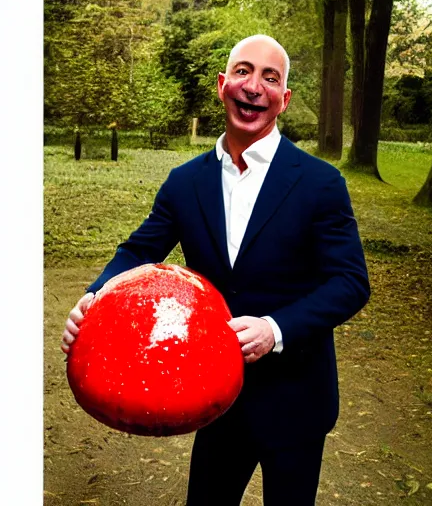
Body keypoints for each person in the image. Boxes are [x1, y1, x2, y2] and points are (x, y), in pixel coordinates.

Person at [61, 34, 370, 505]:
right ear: (223, 85)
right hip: (213, 398)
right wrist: (95, 297)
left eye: (271, 78)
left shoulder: (321, 183)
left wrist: (275, 329)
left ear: (283, 100)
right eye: (244, 71)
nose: (255, 86)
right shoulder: (185, 182)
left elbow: (350, 282)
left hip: (297, 398)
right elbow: (139, 251)